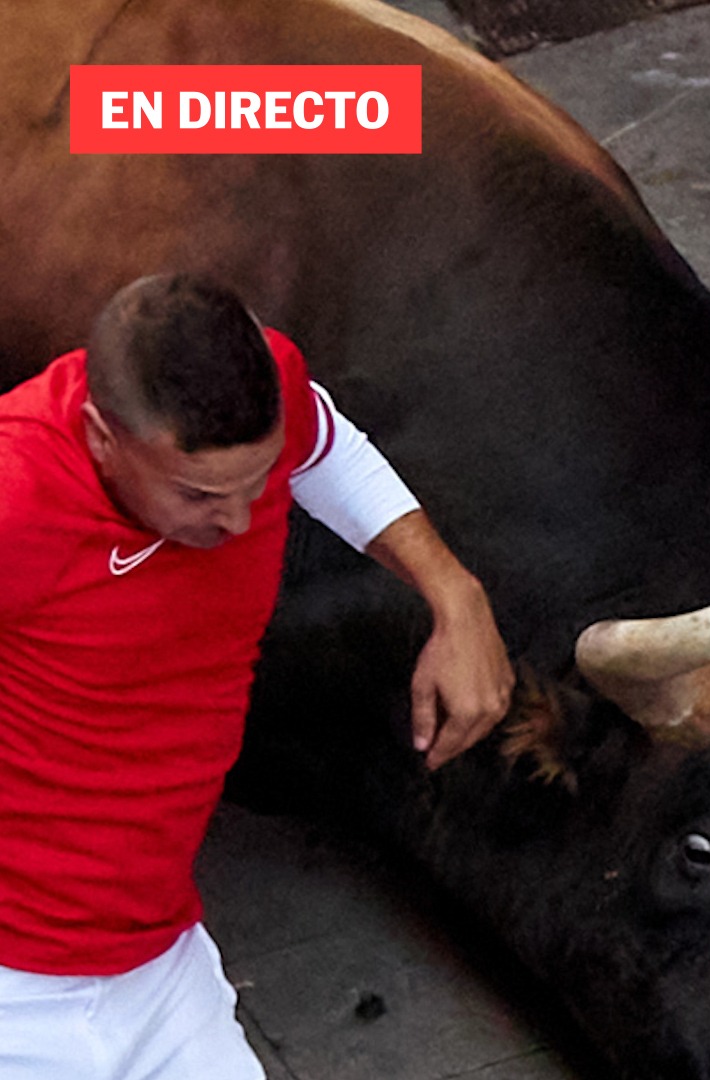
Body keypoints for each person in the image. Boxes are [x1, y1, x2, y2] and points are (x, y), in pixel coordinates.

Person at [0, 274, 515, 1080]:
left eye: (256, 482)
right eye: (200, 495)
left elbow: (324, 449)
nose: (238, 522)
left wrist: (454, 592)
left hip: (160, 965)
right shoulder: (16, 494)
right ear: (103, 437)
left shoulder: (270, 386)